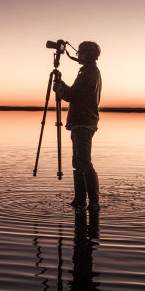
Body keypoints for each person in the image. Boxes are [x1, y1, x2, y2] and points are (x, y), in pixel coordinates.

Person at [53, 41, 102, 210]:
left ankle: (93, 203)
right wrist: (62, 85)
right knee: (78, 162)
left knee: (83, 161)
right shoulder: (89, 71)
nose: (78, 55)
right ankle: (80, 200)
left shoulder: (88, 73)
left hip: (83, 122)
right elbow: (76, 93)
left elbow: (73, 96)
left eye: (80, 52)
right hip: (83, 122)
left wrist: (60, 89)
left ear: (86, 55)